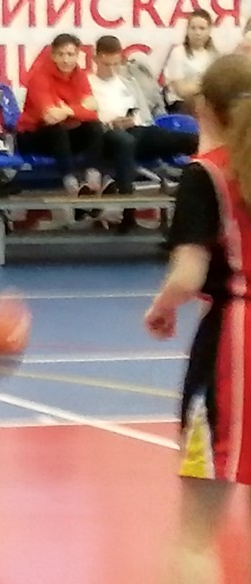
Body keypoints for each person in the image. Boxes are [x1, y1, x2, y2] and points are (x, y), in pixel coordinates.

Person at [144, 53, 251, 584]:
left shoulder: (206, 173)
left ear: (204, 106)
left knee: (196, 536)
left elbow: (188, 275)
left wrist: (161, 308)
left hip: (236, 346)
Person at [93, 35, 200, 231]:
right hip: (109, 136)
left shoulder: (127, 82)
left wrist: (133, 119)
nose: (112, 70)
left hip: (138, 129)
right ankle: (128, 212)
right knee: (124, 142)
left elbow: (143, 113)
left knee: (189, 140)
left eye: (115, 64)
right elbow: (89, 119)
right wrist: (110, 123)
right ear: (96, 59)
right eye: (107, 65)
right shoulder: (89, 84)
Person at [16, 33, 107, 197]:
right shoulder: (39, 77)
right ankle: (70, 181)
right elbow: (50, 116)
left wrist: (67, 110)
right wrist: (80, 108)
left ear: (77, 56)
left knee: (94, 127)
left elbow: (93, 110)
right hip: (33, 135)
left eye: (70, 55)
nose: (66, 60)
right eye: (61, 54)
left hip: (64, 134)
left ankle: (93, 176)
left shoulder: (79, 75)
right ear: (53, 55)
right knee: (56, 129)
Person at [163, 9, 218, 115]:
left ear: (209, 30)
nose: (197, 33)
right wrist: (205, 86)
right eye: (193, 28)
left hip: (205, 103)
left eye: (202, 28)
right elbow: (181, 91)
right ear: (187, 30)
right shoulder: (178, 52)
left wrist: (196, 87)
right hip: (180, 104)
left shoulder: (213, 55)